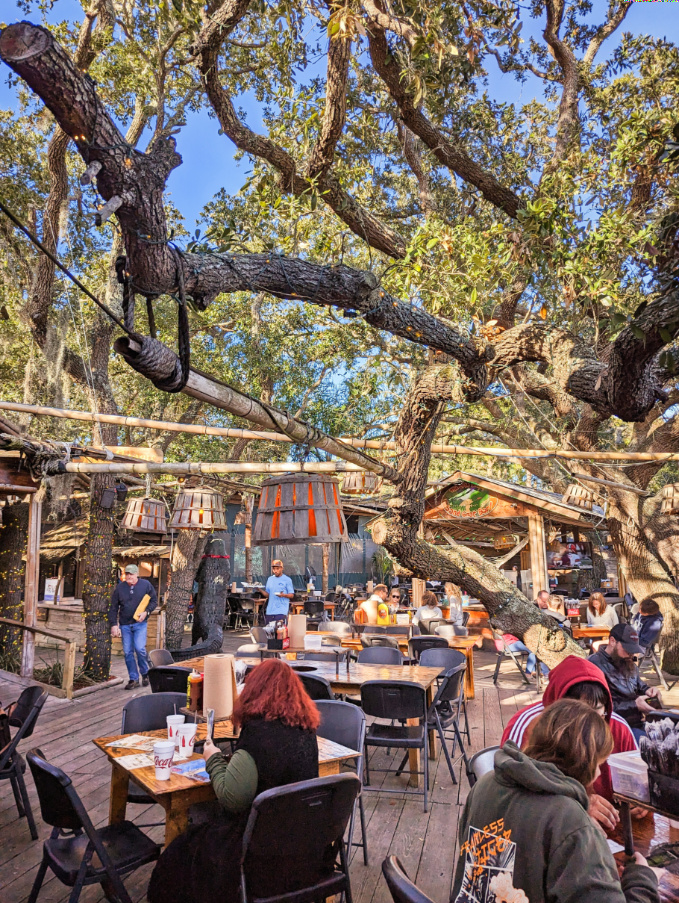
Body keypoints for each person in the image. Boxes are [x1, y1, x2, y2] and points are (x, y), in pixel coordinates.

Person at [452, 699, 661, 903]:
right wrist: (642, 878)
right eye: (599, 764)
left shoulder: (485, 784)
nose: (598, 774)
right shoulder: (570, 821)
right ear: (584, 762)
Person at [148, 659, 320, 903]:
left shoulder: (258, 733)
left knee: (182, 849)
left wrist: (214, 759)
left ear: (253, 691)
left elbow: (233, 799)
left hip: (257, 848)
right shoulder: (306, 731)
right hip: (302, 843)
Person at [501, 655, 639, 829]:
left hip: (612, 829)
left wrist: (641, 799)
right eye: (578, 712)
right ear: (558, 708)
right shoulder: (526, 726)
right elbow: (513, 797)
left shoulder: (619, 728)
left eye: (596, 710)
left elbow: (638, 781)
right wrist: (577, 806)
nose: (588, 721)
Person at [589, 624, 662, 740]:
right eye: (627, 649)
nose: (631, 654)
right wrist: (634, 705)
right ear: (612, 641)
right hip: (613, 728)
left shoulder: (627, 660)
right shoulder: (593, 666)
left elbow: (638, 684)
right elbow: (595, 709)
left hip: (637, 723)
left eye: (633, 651)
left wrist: (649, 691)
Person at [108, 564, 157, 690]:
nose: (129, 576)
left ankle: (145, 673)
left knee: (140, 648)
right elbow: (113, 607)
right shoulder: (120, 588)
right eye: (127, 574)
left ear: (136, 574)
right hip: (125, 625)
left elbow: (153, 601)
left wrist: (146, 612)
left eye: (131, 574)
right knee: (128, 652)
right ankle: (133, 678)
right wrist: (114, 624)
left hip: (140, 624)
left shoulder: (146, 585)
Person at [262, 559, 295, 625]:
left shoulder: (287, 580)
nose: (275, 571)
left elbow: (291, 595)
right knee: (269, 631)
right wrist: (259, 590)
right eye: (274, 569)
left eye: (277, 568)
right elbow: (268, 595)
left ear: (282, 568)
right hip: (270, 610)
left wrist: (283, 595)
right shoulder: (270, 579)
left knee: (280, 632)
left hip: (281, 611)